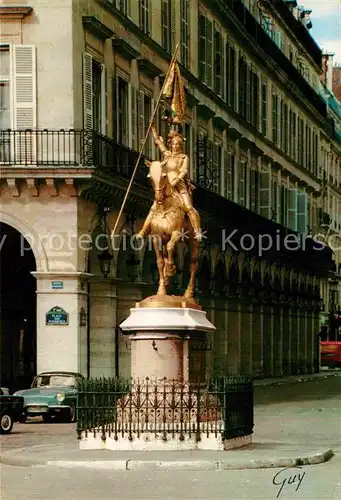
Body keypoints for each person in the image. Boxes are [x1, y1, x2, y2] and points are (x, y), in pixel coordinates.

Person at [138, 121, 202, 239]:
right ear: (171, 145)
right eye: (174, 144)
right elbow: (158, 142)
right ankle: (143, 231)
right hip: (167, 186)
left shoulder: (184, 157)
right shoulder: (167, 155)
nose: (176, 146)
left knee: (188, 207)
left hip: (179, 186)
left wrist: (177, 180)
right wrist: (152, 128)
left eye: (178, 144)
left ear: (181, 145)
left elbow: (184, 170)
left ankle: (197, 231)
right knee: (154, 207)